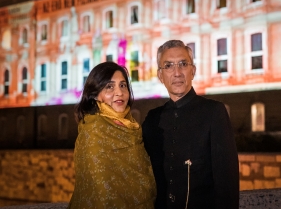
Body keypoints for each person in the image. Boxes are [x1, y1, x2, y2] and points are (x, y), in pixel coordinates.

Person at [142, 40, 240, 209]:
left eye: (183, 64)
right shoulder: (152, 119)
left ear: (193, 71)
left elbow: (227, 183)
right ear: (160, 75)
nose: (177, 72)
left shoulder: (214, 112)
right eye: (169, 66)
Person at [68, 62, 156, 209]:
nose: (119, 92)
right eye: (109, 86)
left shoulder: (132, 127)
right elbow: (100, 191)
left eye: (123, 85)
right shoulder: (94, 131)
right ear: (96, 95)